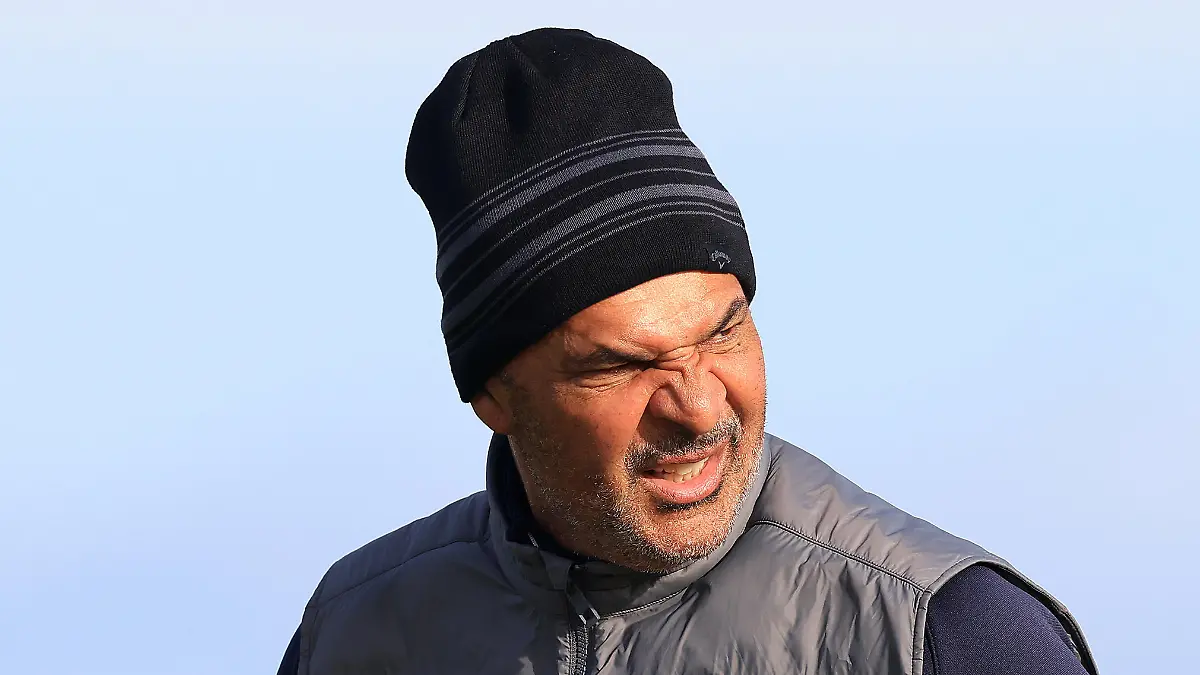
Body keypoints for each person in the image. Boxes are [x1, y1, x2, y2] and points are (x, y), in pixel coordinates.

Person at [276, 28, 1098, 675]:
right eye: (624, 364)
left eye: (722, 331)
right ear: (494, 390)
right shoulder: (350, 637)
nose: (700, 407)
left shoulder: (946, 634)